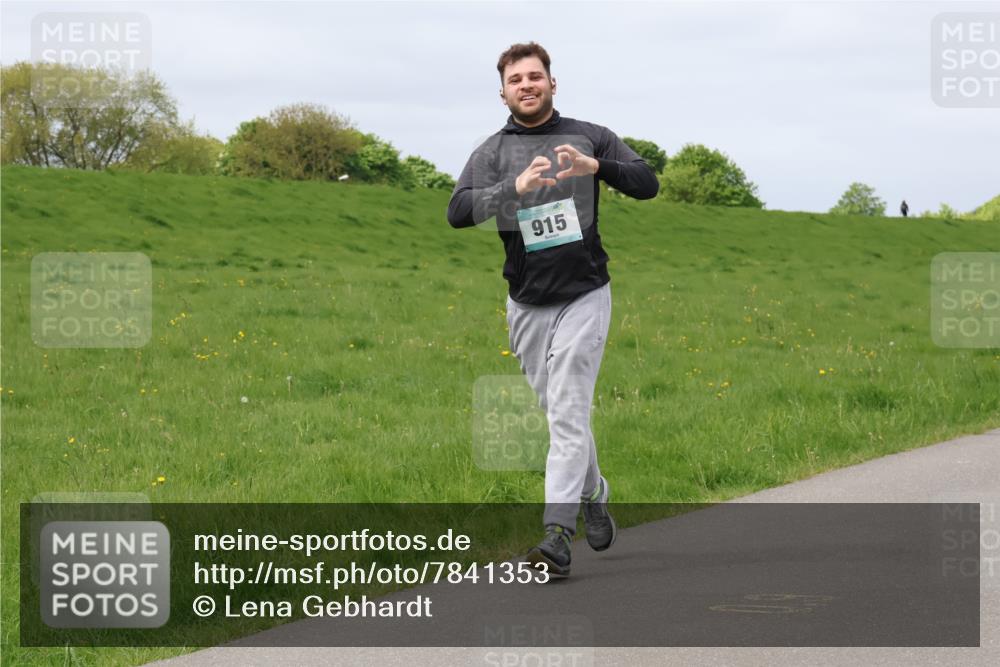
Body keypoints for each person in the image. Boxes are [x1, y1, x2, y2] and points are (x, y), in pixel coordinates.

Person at [446, 42, 659, 576]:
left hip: (584, 293)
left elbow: (648, 182)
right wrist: (508, 189)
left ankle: (557, 535)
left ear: (552, 83)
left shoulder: (590, 136)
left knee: (567, 412)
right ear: (503, 92)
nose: (527, 85)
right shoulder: (491, 151)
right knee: (558, 414)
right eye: (516, 79)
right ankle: (594, 490)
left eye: (535, 76)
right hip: (526, 302)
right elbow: (456, 212)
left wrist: (598, 167)